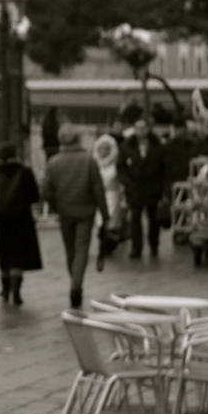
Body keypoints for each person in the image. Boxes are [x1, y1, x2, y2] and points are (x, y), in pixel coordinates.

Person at [44, 133, 110, 308]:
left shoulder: (53, 162)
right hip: (86, 212)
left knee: (70, 250)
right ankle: (76, 287)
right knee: (81, 249)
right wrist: (105, 214)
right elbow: (98, 190)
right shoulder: (89, 161)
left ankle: (75, 281)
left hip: (65, 212)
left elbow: (46, 190)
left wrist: (56, 206)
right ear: (78, 140)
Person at [0, 144, 41, 305]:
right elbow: (35, 196)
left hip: (2, 219)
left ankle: (5, 288)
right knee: (18, 254)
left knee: (5, 252)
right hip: (22, 219)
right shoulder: (25, 172)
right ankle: (16, 291)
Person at [118, 117, 164, 258]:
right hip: (135, 188)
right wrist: (127, 183)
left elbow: (164, 167)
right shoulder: (127, 146)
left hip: (152, 188)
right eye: (138, 128)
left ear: (148, 129)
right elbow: (121, 167)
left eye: (143, 128)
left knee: (153, 219)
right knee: (135, 219)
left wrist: (161, 186)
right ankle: (136, 248)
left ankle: (154, 245)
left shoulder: (157, 145)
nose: (141, 131)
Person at [91, 131, 125, 270]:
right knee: (101, 223)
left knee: (111, 223)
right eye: (101, 149)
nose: (104, 152)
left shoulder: (116, 164)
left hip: (113, 196)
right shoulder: (94, 164)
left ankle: (108, 245)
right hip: (99, 198)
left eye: (107, 149)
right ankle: (103, 244)